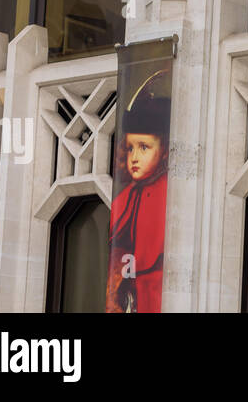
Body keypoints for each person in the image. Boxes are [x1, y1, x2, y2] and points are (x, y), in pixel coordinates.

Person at [106, 71, 169, 313]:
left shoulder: (165, 191)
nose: (134, 158)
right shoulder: (127, 197)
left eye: (144, 148)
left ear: (163, 150)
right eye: (131, 148)